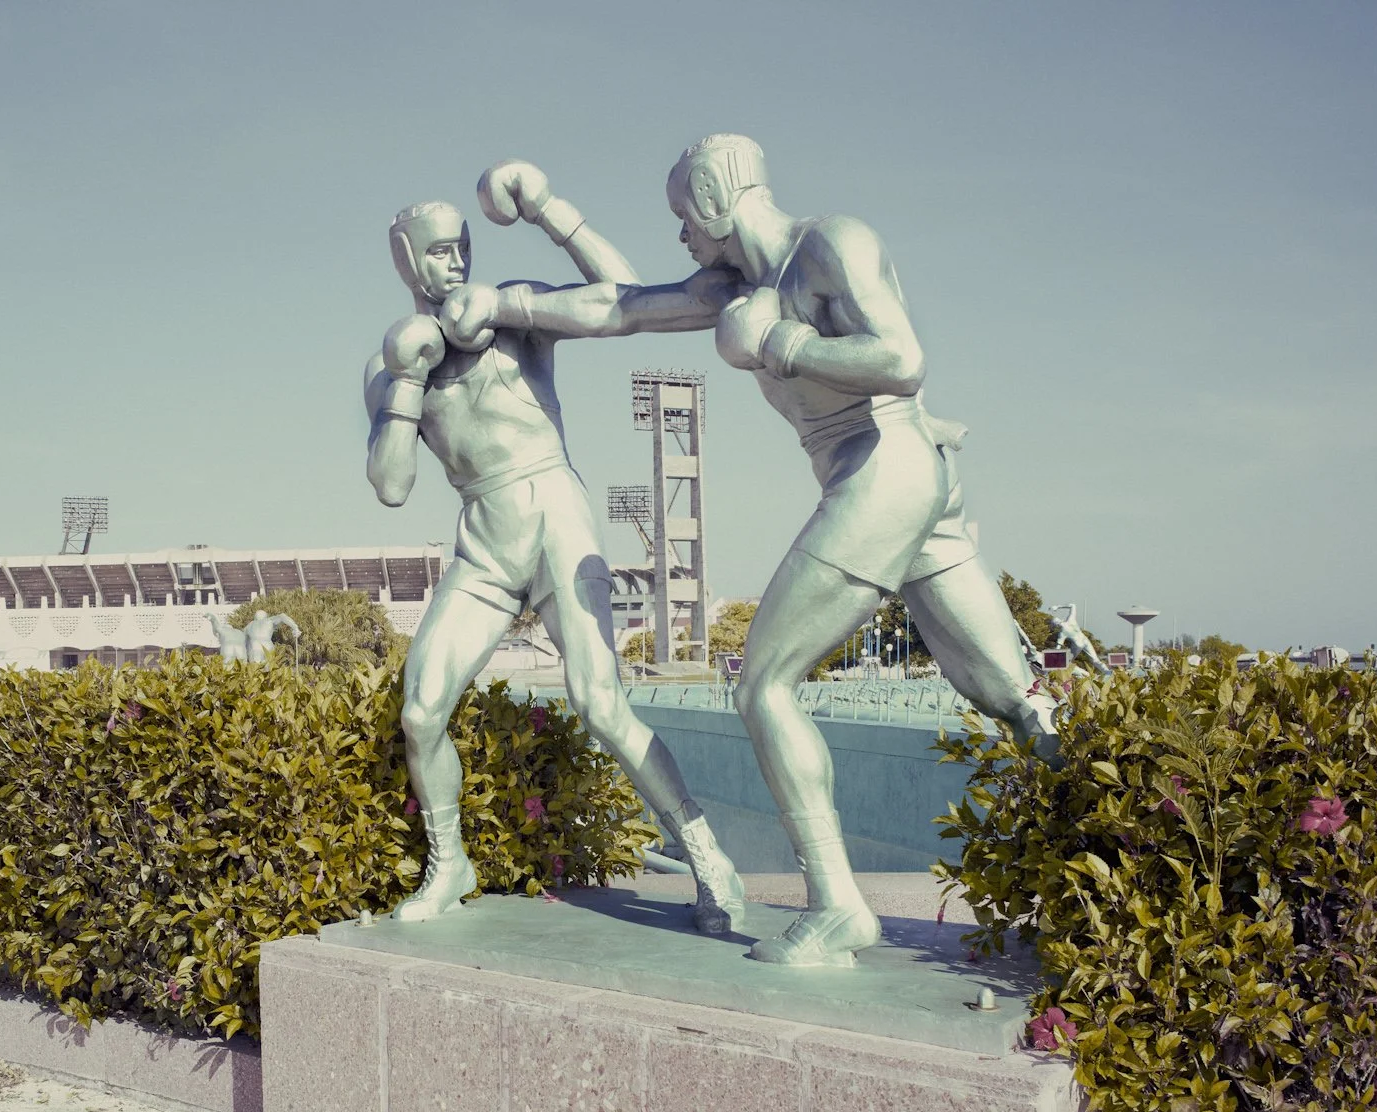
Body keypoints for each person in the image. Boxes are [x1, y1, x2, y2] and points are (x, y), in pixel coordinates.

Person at [445, 135, 1058, 967]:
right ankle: (1124, 867)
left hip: (886, 474)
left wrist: (783, 346)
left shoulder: (832, 242)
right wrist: (513, 290)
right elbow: (619, 307)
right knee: (1013, 700)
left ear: (712, 195)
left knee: (763, 684)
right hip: (902, 484)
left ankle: (839, 906)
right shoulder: (743, 284)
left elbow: (904, 360)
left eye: (682, 216)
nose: (682, 236)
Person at [364, 163, 745, 930]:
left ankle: (706, 854)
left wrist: (546, 209)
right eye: (439, 252)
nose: (457, 262)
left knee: (601, 702)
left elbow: (629, 300)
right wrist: (407, 384)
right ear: (406, 259)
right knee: (421, 709)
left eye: (463, 247)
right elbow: (392, 484)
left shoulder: (513, 316)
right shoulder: (391, 364)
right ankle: (450, 863)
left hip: (553, 508)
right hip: (483, 537)